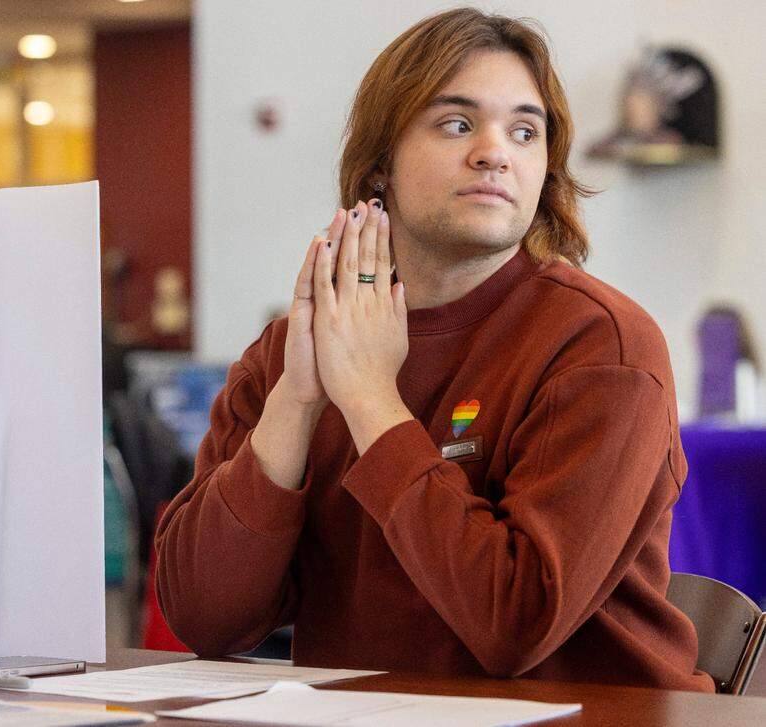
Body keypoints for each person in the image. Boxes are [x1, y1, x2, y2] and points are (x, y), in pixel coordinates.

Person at [154, 7, 713, 691]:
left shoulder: (603, 346)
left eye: (524, 130)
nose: (494, 150)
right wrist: (296, 402)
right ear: (380, 163)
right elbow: (203, 618)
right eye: (456, 123)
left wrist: (369, 400)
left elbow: (514, 624)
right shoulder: (295, 347)